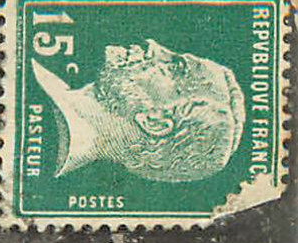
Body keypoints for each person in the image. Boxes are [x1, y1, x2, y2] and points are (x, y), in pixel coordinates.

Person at [31, 42, 244, 183]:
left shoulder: (49, 143)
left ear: (155, 122)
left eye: (174, 68)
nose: (153, 46)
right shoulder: (45, 81)